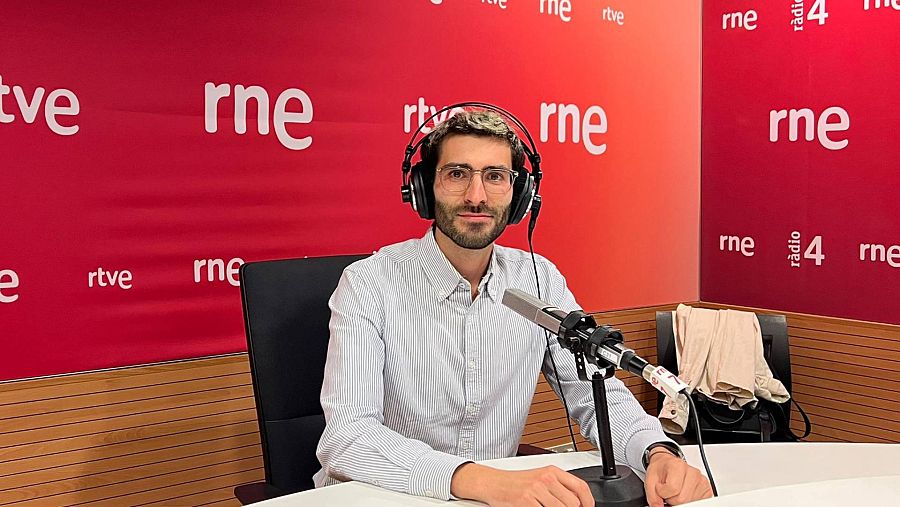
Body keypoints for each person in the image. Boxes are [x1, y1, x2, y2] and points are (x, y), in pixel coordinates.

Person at [314, 109, 712, 506]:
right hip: (384, 497)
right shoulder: (368, 283)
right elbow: (349, 437)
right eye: (456, 174)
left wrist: (656, 452)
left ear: (519, 193)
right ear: (422, 188)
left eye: (495, 176)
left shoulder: (537, 279)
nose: (476, 196)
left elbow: (595, 395)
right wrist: (475, 479)